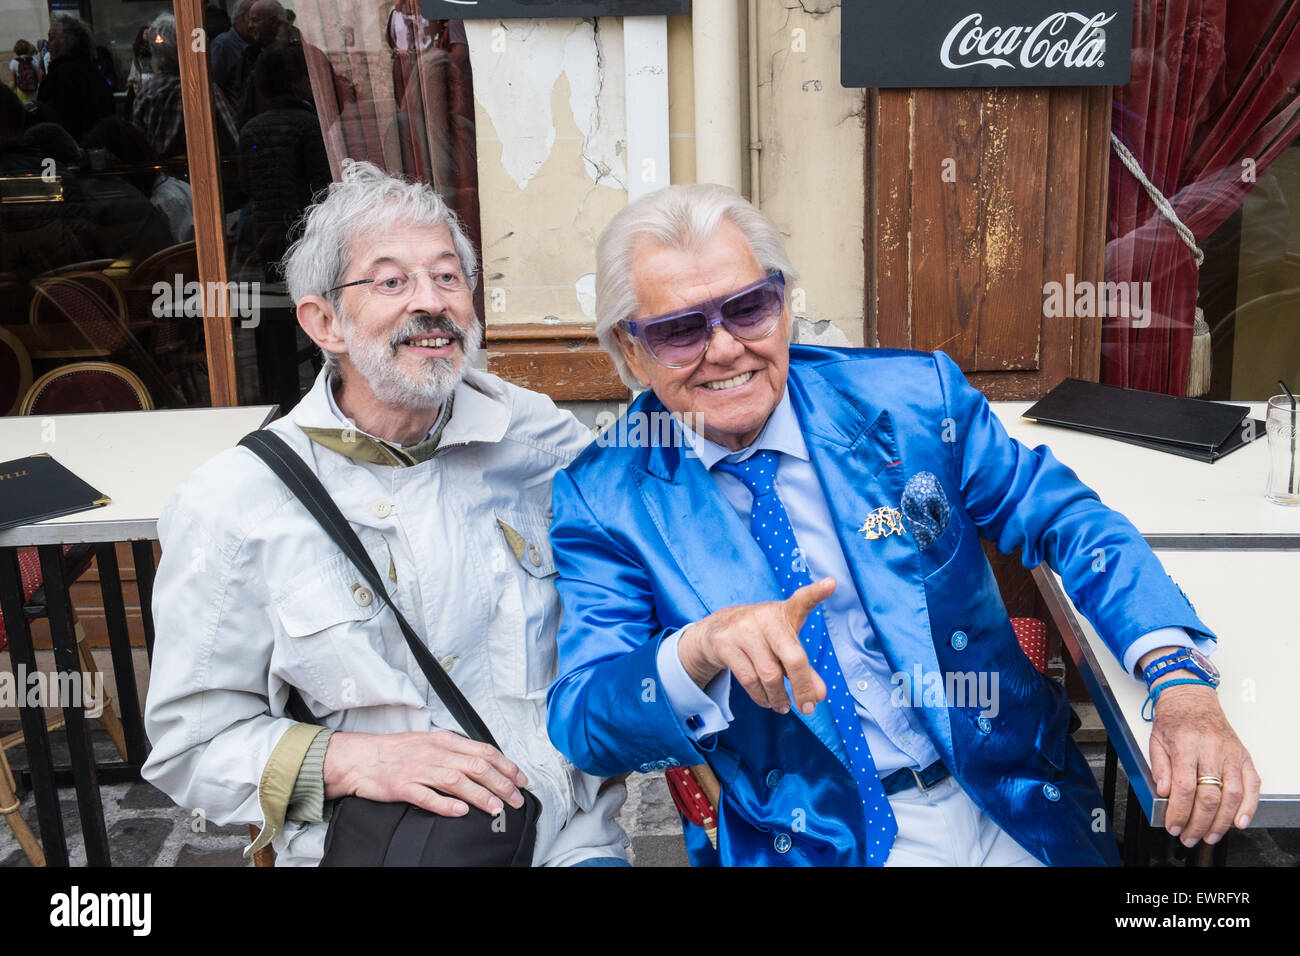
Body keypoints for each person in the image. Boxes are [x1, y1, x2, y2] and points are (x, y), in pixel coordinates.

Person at [545, 183, 1260, 867]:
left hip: (1015, 801)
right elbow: (584, 720)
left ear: (784, 303)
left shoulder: (913, 398)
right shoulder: (605, 497)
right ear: (631, 349)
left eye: (749, 308)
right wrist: (697, 649)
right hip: (822, 841)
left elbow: (1068, 519)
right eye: (679, 329)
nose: (726, 347)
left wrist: (1179, 679)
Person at [142, 162, 628, 866]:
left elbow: (638, 548)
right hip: (396, 849)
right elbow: (191, 744)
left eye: (447, 277)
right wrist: (353, 760)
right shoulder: (233, 504)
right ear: (323, 322)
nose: (430, 302)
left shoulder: (533, 437)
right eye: (391, 281)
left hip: (569, 840)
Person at [36, 16, 113, 142]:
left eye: (51, 38)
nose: (48, 45)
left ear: (65, 43)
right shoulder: (93, 72)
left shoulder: (60, 77)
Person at [208, 0, 255, 97]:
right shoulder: (222, 44)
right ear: (237, 19)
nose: (253, 25)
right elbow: (213, 86)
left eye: (257, 20)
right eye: (250, 18)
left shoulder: (255, 43)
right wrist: (230, 111)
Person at [10, 39, 41, 105]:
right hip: (34, 93)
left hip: (21, 94)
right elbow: (40, 78)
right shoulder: (34, 61)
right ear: (28, 49)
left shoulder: (14, 62)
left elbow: (13, 82)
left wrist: (9, 93)